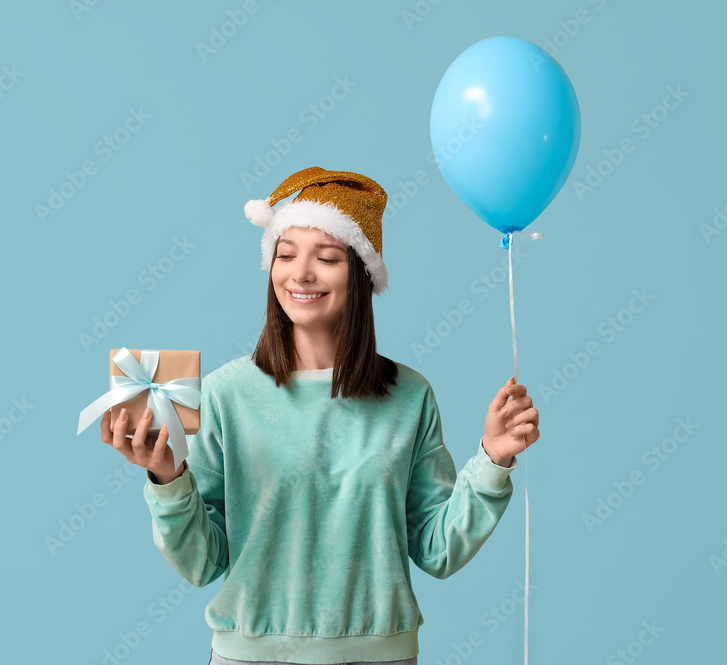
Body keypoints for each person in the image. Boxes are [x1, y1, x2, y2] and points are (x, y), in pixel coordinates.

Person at [99, 167, 540, 665]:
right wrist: (168, 478)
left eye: (326, 258)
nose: (301, 274)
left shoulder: (409, 396)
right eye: (285, 255)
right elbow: (202, 563)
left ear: (362, 274)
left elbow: (438, 551)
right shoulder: (226, 394)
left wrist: (493, 460)